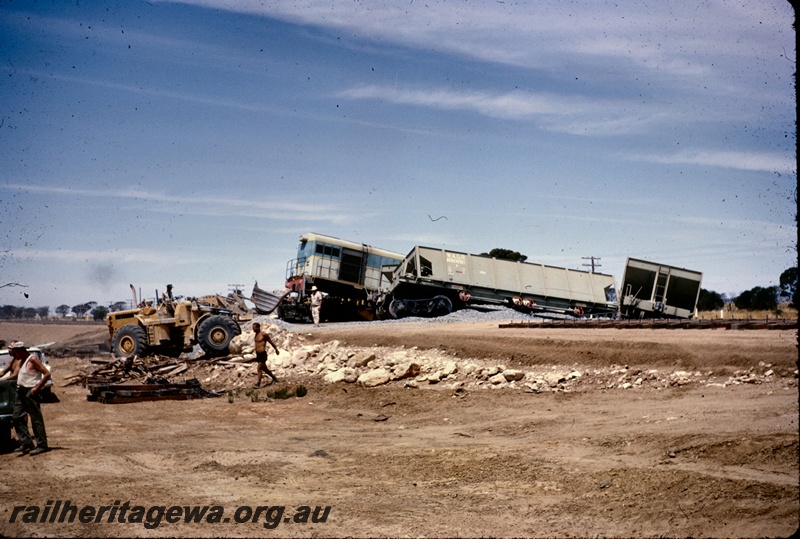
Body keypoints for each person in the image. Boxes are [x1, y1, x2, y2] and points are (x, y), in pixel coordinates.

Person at [9, 342, 50, 455]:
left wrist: (37, 388)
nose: (14, 354)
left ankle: (42, 445)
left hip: (31, 391)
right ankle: (26, 442)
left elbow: (47, 374)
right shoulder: (21, 360)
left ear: (21, 350)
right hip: (20, 391)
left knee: (36, 419)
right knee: (16, 417)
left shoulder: (32, 359)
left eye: (15, 351)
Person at [252, 323, 280, 388]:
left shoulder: (263, 335)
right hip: (258, 354)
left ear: (258, 327)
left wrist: (276, 349)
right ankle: (274, 378)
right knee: (264, 369)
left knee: (259, 368)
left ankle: (258, 384)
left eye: (254, 328)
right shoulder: (256, 335)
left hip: (263, 354)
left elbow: (270, 342)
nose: (253, 329)